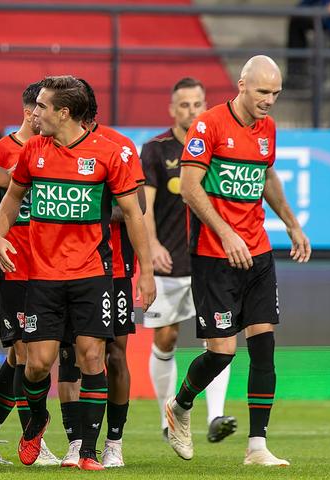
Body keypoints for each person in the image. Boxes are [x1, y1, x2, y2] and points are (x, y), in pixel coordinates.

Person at [0, 75, 156, 471]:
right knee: (36, 363)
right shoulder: (33, 150)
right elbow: (14, 196)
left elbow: (134, 213)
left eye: (43, 106)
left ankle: (87, 452)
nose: (35, 113)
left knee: (92, 356)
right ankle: (37, 420)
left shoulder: (108, 153)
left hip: (90, 274)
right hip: (43, 276)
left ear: (63, 113)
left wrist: (146, 271)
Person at [165, 55, 311, 466]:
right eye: (263, 91)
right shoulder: (209, 124)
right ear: (242, 85)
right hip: (214, 255)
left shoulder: (268, 129)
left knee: (264, 347)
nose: (270, 100)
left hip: (258, 251)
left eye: (276, 93)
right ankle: (180, 407)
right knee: (222, 353)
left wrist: (293, 224)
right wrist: (226, 232)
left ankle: (257, 447)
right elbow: (190, 188)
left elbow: (266, 176)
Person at [0, 81, 61, 467]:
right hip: (12, 268)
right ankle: (32, 442)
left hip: (49, 270)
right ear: (30, 111)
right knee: (24, 353)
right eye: (43, 108)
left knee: (21, 359)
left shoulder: (56, 153)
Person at [54, 78, 147, 469]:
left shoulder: (119, 147)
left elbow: (135, 206)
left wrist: (90, 203)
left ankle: (114, 440)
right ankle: (77, 442)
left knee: (115, 352)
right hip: (65, 267)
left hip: (115, 266)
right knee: (69, 354)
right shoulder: (50, 145)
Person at [141, 77, 237, 444]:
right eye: (184, 105)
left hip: (209, 260)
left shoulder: (217, 146)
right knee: (166, 337)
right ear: (172, 109)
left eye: (197, 104)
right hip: (169, 262)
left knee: (219, 338)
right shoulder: (155, 149)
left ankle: (215, 416)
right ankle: (169, 416)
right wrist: (151, 245)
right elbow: (143, 203)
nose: (191, 111)